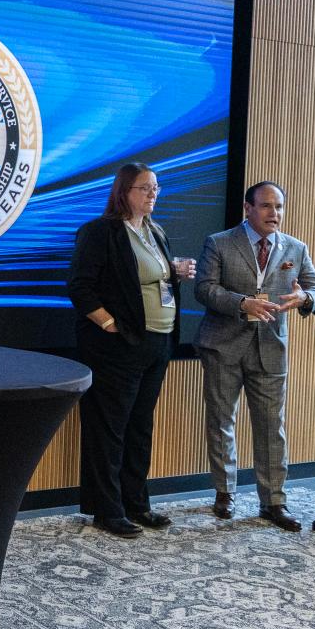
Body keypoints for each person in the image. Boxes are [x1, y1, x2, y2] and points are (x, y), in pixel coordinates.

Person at [68, 162, 194, 537]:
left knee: (140, 427)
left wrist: (175, 272)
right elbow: (80, 287)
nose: (153, 193)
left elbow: (151, 280)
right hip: (118, 346)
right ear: (124, 191)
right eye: (145, 188)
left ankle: (137, 504)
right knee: (110, 429)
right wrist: (110, 325)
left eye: (156, 187)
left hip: (158, 342)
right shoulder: (100, 232)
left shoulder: (155, 231)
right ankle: (107, 510)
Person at [194, 181, 315, 531]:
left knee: (272, 427)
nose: (275, 213)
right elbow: (204, 289)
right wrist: (242, 303)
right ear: (248, 208)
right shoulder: (219, 242)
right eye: (267, 206)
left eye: (279, 207)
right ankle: (225, 492)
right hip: (223, 345)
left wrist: (306, 298)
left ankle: (273, 502)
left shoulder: (295, 248)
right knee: (222, 421)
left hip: (270, 348)